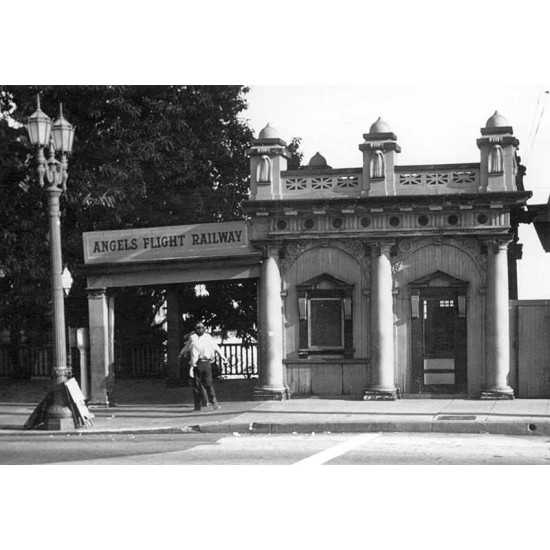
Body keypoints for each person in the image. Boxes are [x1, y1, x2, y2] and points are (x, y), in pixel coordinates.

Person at [188, 322, 228, 411]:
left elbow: (216, 347)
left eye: (201, 327)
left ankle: (214, 403)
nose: (200, 329)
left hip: (206, 362)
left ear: (204, 329)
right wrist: (183, 354)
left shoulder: (208, 337)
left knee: (208, 384)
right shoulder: (193, 338)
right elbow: (189, 348)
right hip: (197, 363)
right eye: (198, 328)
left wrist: (223, 356)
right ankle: (198, 406)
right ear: (195, 329)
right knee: (197, 385)